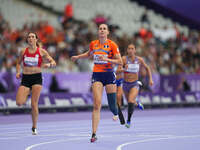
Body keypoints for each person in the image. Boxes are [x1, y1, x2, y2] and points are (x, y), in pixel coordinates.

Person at [71, 24, 122, 142]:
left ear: (108, 32)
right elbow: (88, 54)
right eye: (100, 29)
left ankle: (115, 112)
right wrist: (78, 56)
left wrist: (107, 59)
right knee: (96, 104)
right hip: (97, 75)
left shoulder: (112, 45)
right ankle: (94, 134)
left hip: (109, 75)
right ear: (98, 32)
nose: (102, 30)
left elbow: (119, 61)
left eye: (104, 29)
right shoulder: (93, 44)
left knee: (112, 105)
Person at [16, 32, 56, 135]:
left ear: (36, 39)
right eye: (29, 37)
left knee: (34, 104)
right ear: (27, 40)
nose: (30, 38)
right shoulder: (23, 51)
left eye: (32, 37)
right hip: (25, 78)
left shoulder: (41, 51)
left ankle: (34, 127)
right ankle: (28, 91)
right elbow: (18, 63)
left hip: (37, 78)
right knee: (19, 103)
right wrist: (17, 72)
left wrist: (49, 64)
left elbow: (53, 62)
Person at [122, 44, 153, 128]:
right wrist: (124, 68)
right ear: (127, 50)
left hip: (134, 84)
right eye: (129, 48)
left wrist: (150, 79)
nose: (130, 50)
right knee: (130, 100)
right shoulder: (124, 59)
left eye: (132, 48)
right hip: (125, 84)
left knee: (130, 101)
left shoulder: (139, 60)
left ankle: (128, 120)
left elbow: (147, 68)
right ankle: (137, 102)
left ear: (135, 50)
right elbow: (117, 70)